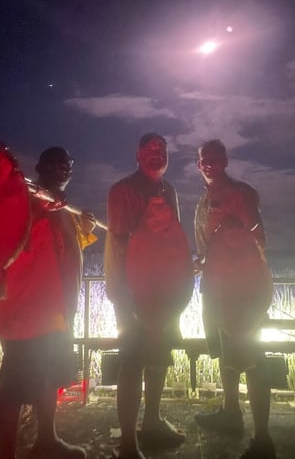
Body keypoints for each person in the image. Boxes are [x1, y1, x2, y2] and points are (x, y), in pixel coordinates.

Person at [0, 147, 97, 459]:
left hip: (58, 311)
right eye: (53, 163)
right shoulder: (24, 199)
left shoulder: (63, 209)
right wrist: (39, 209)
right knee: (14, 386)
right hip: (27, 310)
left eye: (66, 164)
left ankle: (47, 440)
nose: (61, 168)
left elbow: (63, 248)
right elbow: (15, 241)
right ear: (38, 167)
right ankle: (6, 453)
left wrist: (83, 230)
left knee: (51, 376)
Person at [104, 133, 193, 459]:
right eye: (149, 149)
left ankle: (152, 421)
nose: (157, 154)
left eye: (162, 150)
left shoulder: (168, 190)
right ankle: (128, 442)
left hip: (166, 292)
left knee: (159, 357)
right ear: (137, 155)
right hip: (132, 293)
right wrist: (131, 298)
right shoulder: (123, 190)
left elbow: (174, 240)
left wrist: (180, 277)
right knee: (132, 361)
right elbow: (124, 243)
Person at [194, 139, 276, 459]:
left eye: (215, 158)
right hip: (215, 286)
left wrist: (242, 227)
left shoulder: (240, 193)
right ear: (199, 164)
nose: (210, 163)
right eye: (205, 159)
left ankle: (263, 439)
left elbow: (260, 238)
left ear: (226, 161)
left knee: (253, 358)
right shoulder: (205, 197)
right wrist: (203, 262)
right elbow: (212, 244)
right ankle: (230, 412)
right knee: (225, 351)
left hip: (242, 290)